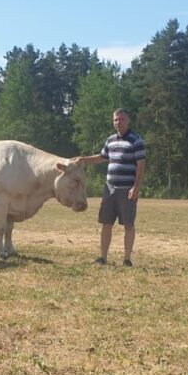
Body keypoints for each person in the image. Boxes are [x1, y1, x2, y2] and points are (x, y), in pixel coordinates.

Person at [77, 108, 145, 266]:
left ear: (128, 121)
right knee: (106, 223)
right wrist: (83, 160)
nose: (118, 122)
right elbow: (102, 157)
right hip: (110, 189)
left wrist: (136, 187)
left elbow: (141, 166)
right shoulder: (110, 140)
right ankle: (102, 258)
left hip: (127, 189)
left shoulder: (136, 141)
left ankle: (127, 259)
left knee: (128, 224)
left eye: (121, 119)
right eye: (115, 119)